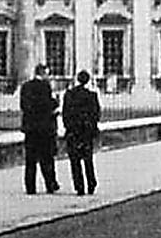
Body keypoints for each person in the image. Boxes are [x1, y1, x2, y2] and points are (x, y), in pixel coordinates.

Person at [20, 63, 60, 194]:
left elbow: (24, 106)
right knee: (46, 159)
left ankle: (30, 187)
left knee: (30, 160)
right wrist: (56, 102)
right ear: (43, 74)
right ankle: (50, 184)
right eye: (47, 74)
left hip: (30, 128)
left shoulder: (25, 86)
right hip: (44, 129)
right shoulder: (45, 86)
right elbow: (48, 105)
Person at [62, 70, 101, 196]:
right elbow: (96, 114)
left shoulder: (69, 94)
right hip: (86, 132)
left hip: (73, 131)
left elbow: (65, 114)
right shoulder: (92, 95)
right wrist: (92, 128)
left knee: (75, 160)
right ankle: (91, 183)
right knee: (87, 159)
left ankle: (79, 186)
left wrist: (68, 128)